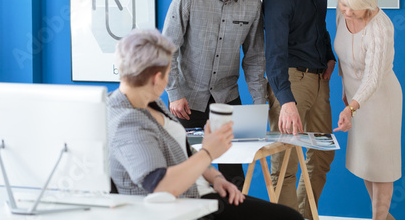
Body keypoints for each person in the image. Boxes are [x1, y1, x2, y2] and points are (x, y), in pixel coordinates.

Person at [108, 29, 303, 220]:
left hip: (201, 193)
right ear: (156, 78)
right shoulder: (128, 122)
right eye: (168, 73)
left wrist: (216, 178)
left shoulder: (150, 102)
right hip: (189, 205)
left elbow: (183, 153)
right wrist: (209, 152)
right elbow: (161, 185)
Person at [162, 0, 267, 189]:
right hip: (186, 103)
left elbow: (254, 58)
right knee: (185, 172)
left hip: (227, 100)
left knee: (233, 175)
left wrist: (259, 102)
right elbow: (166, 50)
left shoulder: (253, 5)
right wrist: (174, 94)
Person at [262, 0, 336, 219]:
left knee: (322, 153)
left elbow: (319, 25)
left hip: (319, 78)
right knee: (286, 162)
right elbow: (274, 52)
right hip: (290, 80)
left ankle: (306, 215)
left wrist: (328, 56)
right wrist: (286, 100)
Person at [333, 0, 402, 220]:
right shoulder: (342, 12)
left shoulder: (380, 28)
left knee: (381, 166)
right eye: (344, 4)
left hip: (380, 100)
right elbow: (343, 53)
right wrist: (344, 87)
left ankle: (379, 218)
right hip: (354, 99)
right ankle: (384, 217)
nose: (347, 12)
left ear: (369, 5)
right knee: (366, 162)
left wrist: (352, 107)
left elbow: (372, 78)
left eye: (354, 8)